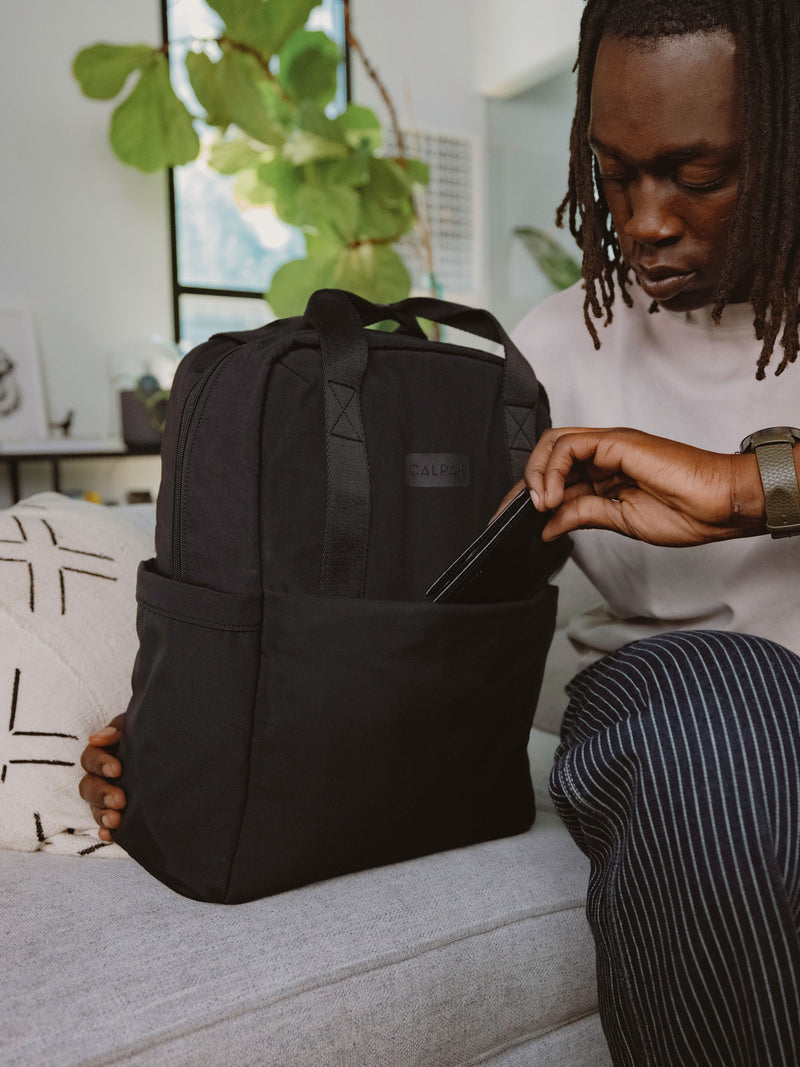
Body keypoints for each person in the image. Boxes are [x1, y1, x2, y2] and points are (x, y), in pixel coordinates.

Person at [80, 0, 800, 1062]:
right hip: (688, 714)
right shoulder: (556, 352)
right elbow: (414, 605)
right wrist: (194, 724)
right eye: (610, 173)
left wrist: (751, 486)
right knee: (716, 705)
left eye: (697, 177)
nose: (642, 219)